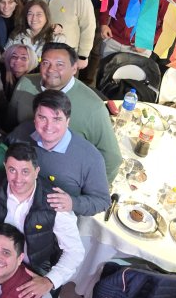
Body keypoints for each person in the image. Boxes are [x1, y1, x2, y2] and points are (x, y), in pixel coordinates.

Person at [0, 142, 84, 298]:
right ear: (5, 167)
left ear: (36, 172)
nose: (18, 179)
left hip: (32, 269)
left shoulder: (54, 202)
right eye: (12, 170)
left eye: (25, 172)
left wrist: (50, 281)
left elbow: (75, 251)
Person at [7, 43, 121, 181]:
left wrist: (94, 194)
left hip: (65, 181)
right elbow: (10, 124)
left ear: (74, 68)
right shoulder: (25, 83)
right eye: (46, 63)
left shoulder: (94, 108)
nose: (51, 69)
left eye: (59, 64)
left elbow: (111, 159)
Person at [9, 89, 110, 217]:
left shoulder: (90, 158)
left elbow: (103, 201)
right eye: (42, 117)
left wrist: (73, 203)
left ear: (68, 121)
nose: (48, 126)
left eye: (56, 119)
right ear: (34, 118)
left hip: (55, 224)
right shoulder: (21, 133)